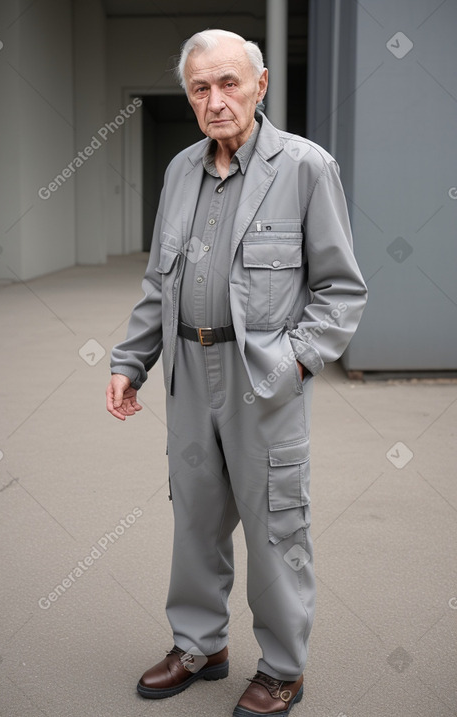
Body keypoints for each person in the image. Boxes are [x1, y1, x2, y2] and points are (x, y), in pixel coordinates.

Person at [106, 28, 367, 717]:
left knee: (277, 522)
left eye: (228, 83)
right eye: (200, 87)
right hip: (189, 371)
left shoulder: (306, 167)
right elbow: (159, 279)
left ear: (260, 84)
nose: (215, 100)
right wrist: (132, 360)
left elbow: (341, 292)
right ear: (189, 96)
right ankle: (200, 645)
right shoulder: (180, 171)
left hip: (263, 374)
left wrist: (293, 363)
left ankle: (282, 667)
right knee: (194, 515)